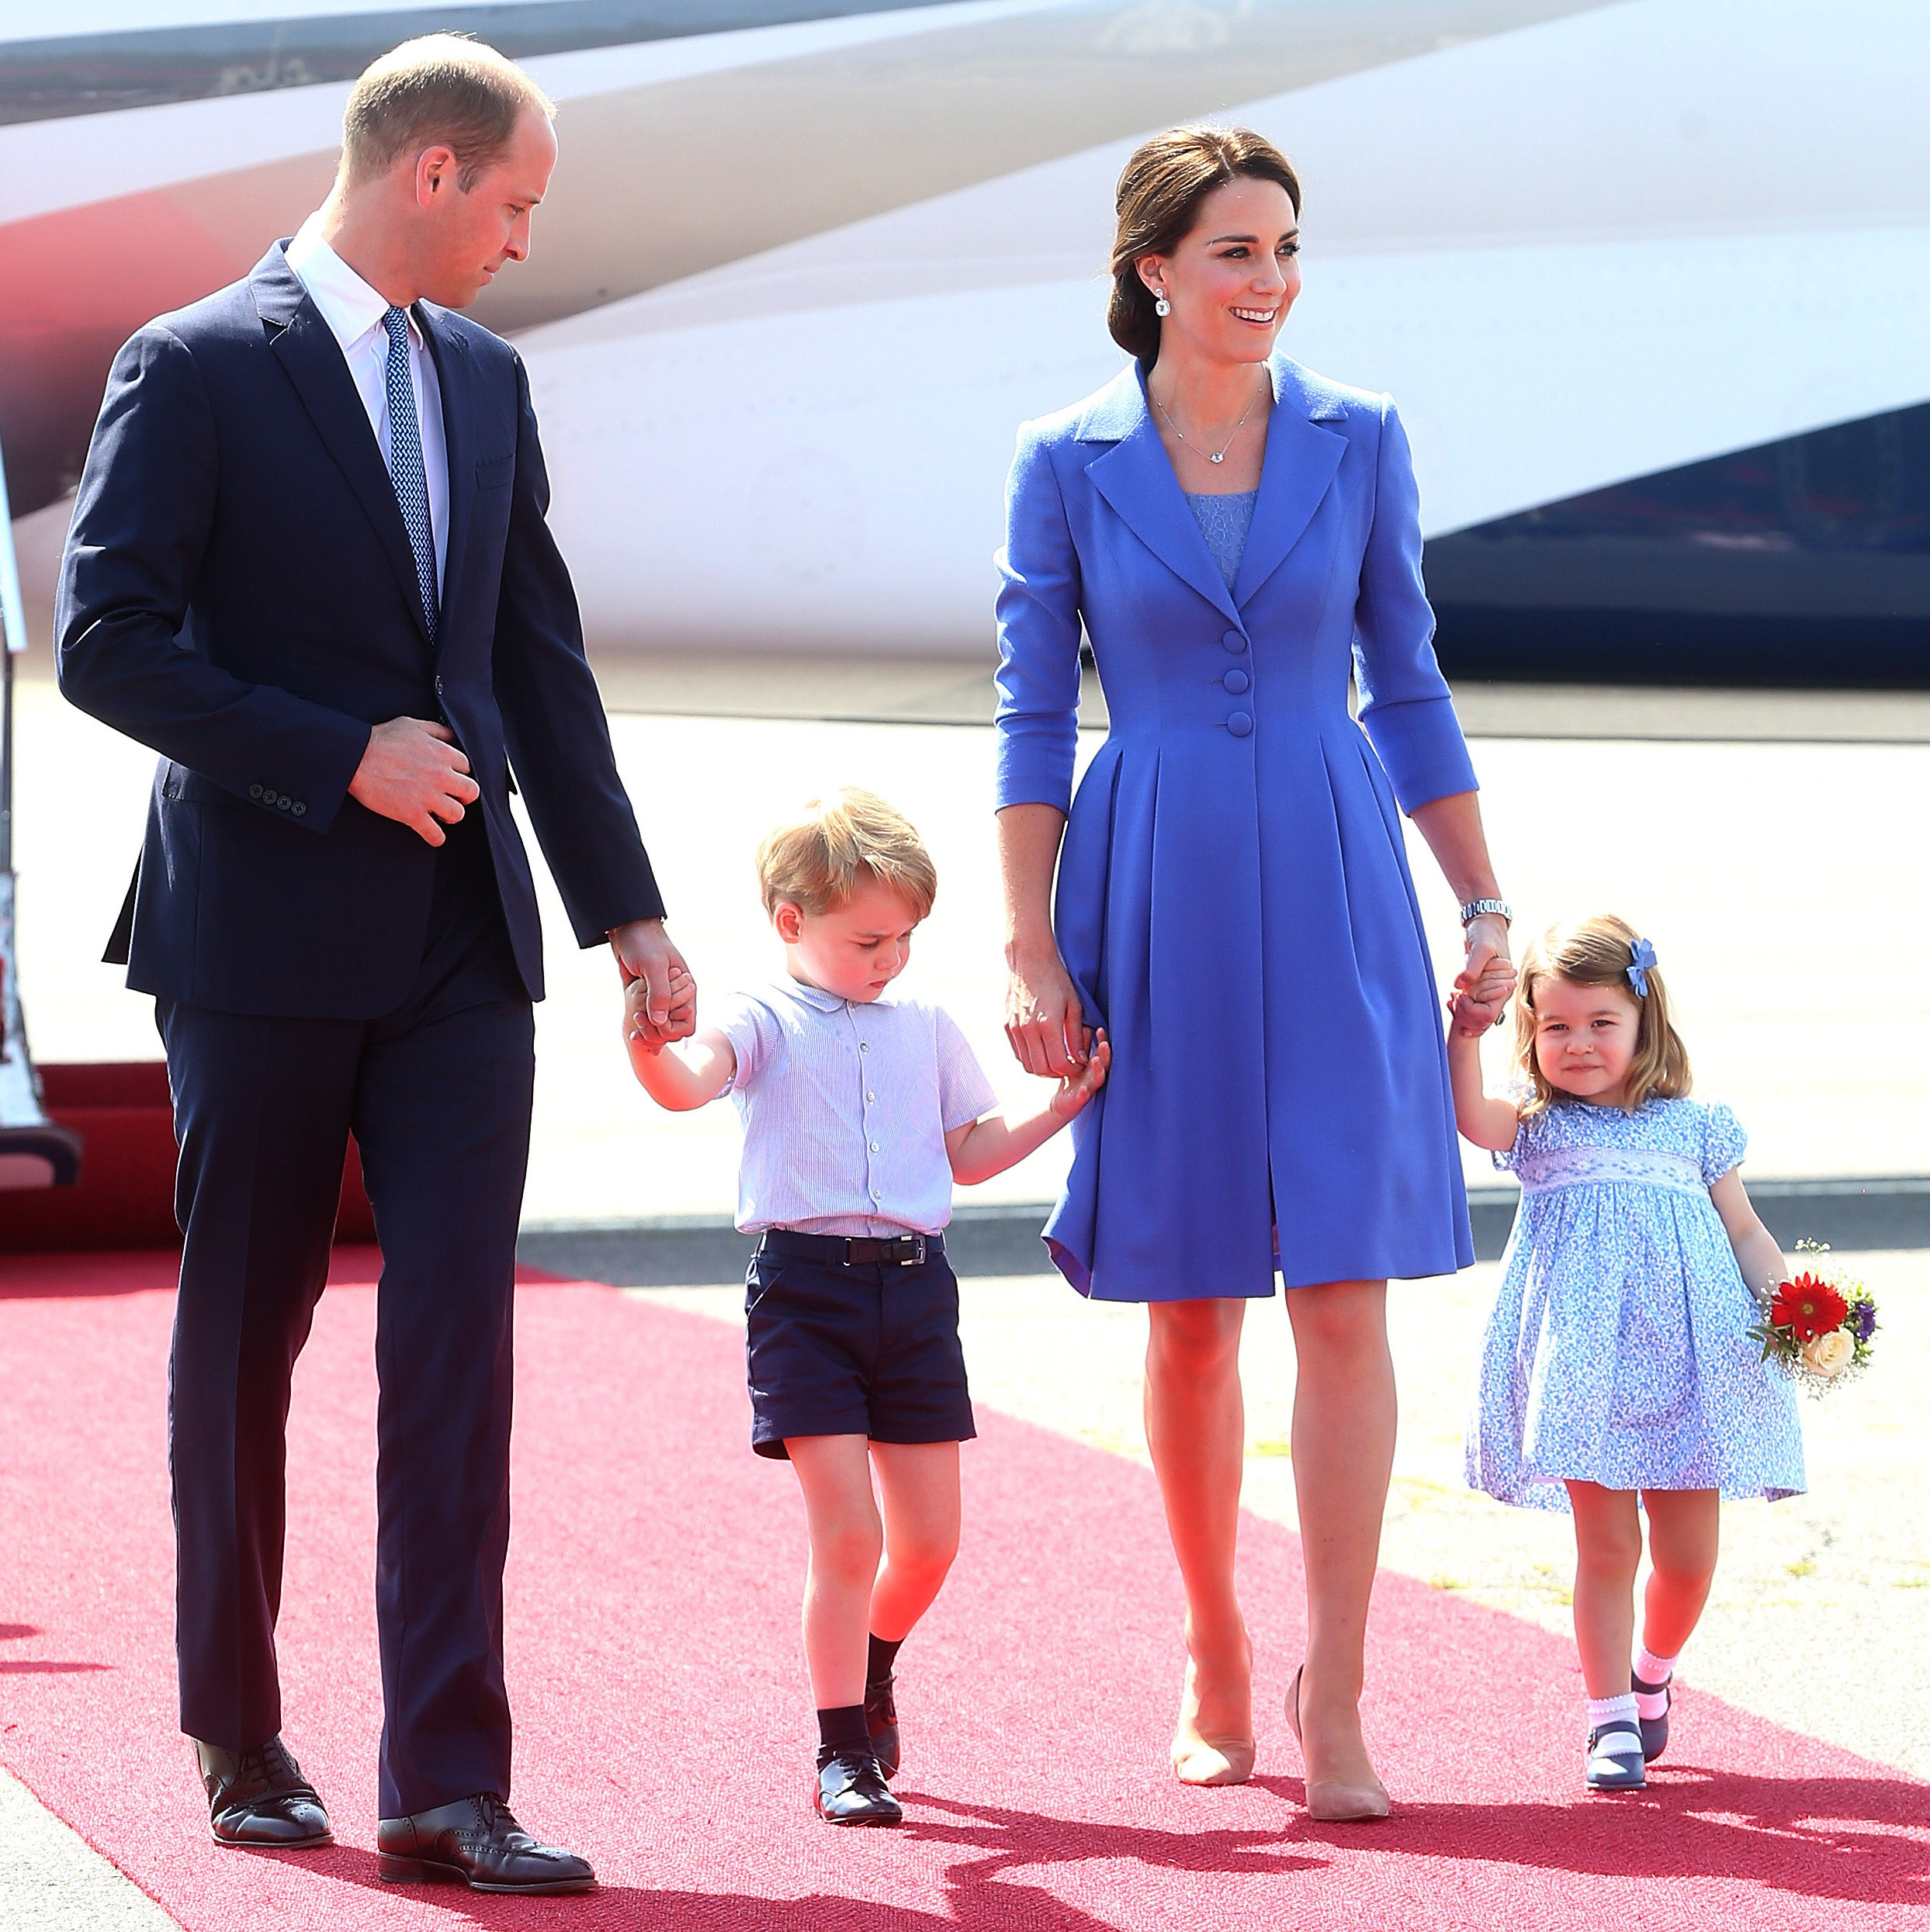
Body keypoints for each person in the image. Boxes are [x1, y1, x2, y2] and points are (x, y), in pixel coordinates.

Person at [54, 36, 691, 1892]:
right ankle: (238, 1729)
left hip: (463, 942)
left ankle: (445, 1774)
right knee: (244, 1337)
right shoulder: (194, 363)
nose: (517, 241)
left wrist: (627, 913)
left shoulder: (486, 380)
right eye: (512, 203)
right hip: (254, 934)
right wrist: (336, 748)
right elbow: (107, 640)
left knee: (454, 1352)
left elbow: (534, 663)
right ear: (430, 169)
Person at [993, 123, 1517, 1821]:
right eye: (1234, 250)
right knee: (1194, 1312)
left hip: (1334, 867)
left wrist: (1483, 903)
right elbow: (1026, 712)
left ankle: (1337, 1689)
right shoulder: (1061, 458)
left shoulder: (1359, 439)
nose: (1270, 280)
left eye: (1285, 247)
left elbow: (1408, 678)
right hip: (1146, 888)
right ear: (1153, 269)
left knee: (1344, 1288)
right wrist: (1026, 936)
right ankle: (1215, 1650)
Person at [623, 790, 1108, 1826]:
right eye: (868, 939)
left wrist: (1058, 1109)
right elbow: (686, 1081)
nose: (889, 958)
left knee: (928, 1542)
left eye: (904, 939)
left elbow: (968, 1153)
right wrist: (645, 1046)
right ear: (790, 921)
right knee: (847, 1533)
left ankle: (874, 1661)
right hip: (803, 1293)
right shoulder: (761, 1017)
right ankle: (840, 1745)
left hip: (916, 1291)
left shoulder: (926, 1026)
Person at [1449, 915, 1804, 1792]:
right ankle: (1608, 1717)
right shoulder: (1539, 1128)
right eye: (1556, 1027)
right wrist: (1464, 1035)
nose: (1578, 1044)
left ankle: (1652, 1676)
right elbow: (1468, 1117)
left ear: (1646, 1021)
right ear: (1532, 1033)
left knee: (1687, 1560)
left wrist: (1794, 1306)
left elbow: (1748, 1232)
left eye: (1601, 1023)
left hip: (1694, 1365)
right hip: (1585, 1370)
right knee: (1605, 1549)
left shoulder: (1698, 1129)